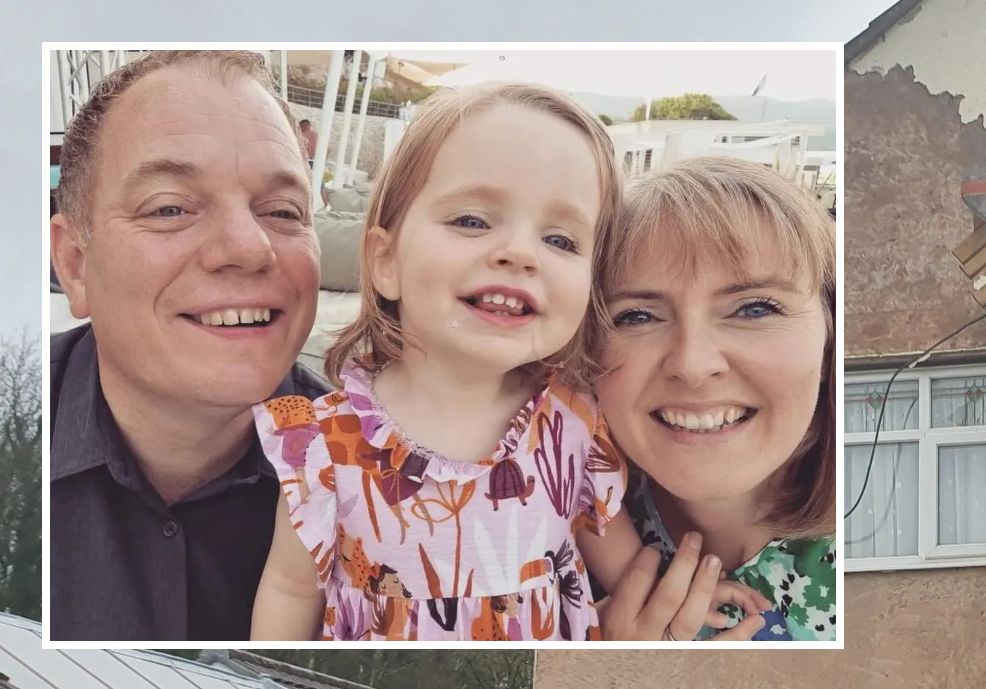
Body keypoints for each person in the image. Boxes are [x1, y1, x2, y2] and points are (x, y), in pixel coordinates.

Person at [247, 84, 767, 642]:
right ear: (386, 260)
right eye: (472, 220)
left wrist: (684, 593)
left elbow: (624, 562)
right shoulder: (323, 443)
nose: (519, 253)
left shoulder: (572, 425)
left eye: (561, 240)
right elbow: (291, 589)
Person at [48, 50, 326, 640]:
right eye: (170, 208)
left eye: (282, 210)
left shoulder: (390, 481)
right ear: (74, 265)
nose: (249, 248)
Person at [595, 158, 837, 643]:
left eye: (754, 308)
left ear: (831, 337)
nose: (693, 363)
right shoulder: (522, 545)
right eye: (637, 316)